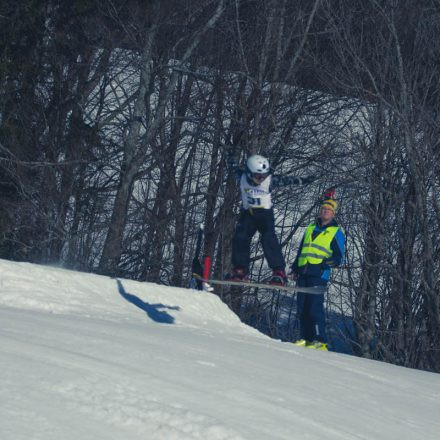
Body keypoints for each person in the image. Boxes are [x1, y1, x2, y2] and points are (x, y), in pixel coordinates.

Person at [226, 152, 315, 286]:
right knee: (240, 236)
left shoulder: (269, 181)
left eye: (264, 175)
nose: (261, 179)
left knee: (268, 238)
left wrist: (304, 180)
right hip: (248, 213)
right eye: (258, 176)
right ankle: (240, 270)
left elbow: (288, 180)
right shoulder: (242, 177)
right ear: (249, 173)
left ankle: (279, 272)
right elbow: (233, 167)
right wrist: (230, 157)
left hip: (264, 214)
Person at [290, 195, 345, 350]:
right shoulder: (310, 228)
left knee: (314, 308)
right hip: (303, 272)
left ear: (333, 213)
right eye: (324, 209)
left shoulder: (336, 232)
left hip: (318, 275)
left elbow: (339, 257)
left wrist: (326, 263)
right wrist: (295, 268)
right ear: (320, 211)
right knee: (302, 308)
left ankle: (319, 341)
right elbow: (302, 250)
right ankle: (305, 339)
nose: (326, 211)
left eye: (329, 210)